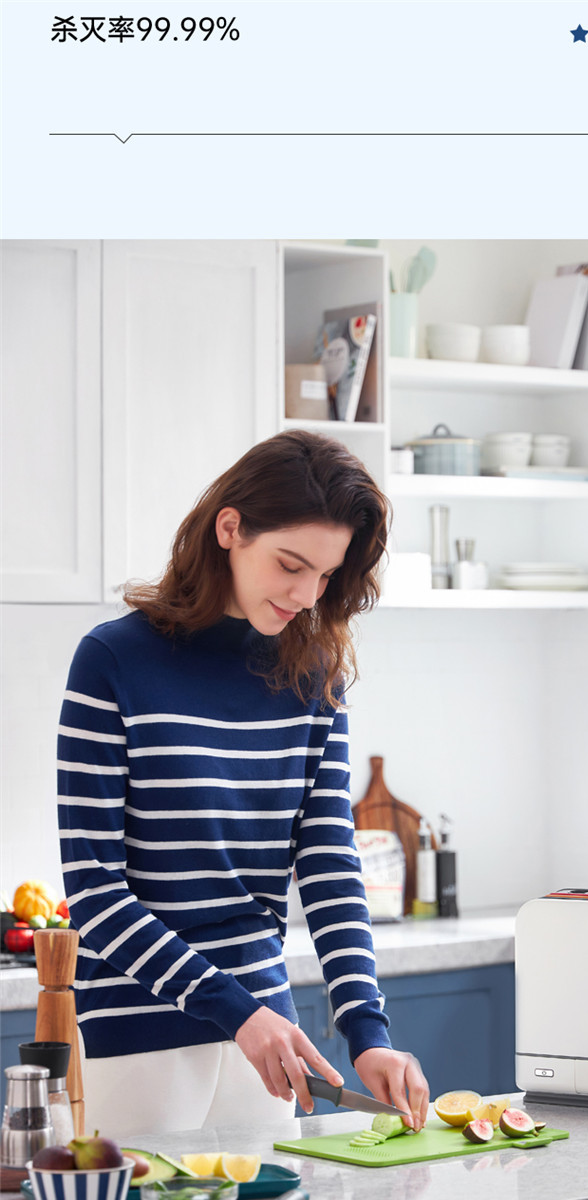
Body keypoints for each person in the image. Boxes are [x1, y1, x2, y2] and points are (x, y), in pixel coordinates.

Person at [57, 431, 430, 1140]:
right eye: (290, 565)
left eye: (324, 575)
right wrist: (236, 1011)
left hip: (268, 1043)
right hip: (142, 1036)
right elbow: (95, 892)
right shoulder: (112, 662)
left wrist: (367, 1031)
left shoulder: (315, 677)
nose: (305, 593)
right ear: (230, 528)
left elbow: (327, 864)